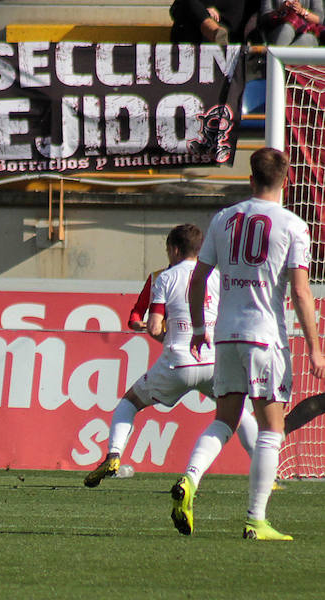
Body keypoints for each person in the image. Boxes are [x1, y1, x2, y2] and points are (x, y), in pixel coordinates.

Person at [171, 147, 325, 541]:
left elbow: (198, 278)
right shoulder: (292, 225)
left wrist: (198, 329)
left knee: (224, 419)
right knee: (271, 429)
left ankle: (189, 479)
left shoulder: (223, 219)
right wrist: (315, 347)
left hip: (224, 335)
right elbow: (301, 291)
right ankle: (256, 519)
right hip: (265, 336)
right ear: (286, 181)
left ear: (250, 179)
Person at [84, 224, 258, 488]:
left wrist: (167, 336)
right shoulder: (217, 277)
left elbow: (154, 326)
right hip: (214, 361)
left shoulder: (165, 277)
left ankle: (114, 456)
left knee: (128, 404)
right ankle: (265, 472)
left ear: (174, 249)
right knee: (238, 412)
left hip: (178, 361)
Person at [169, 0, 251, 43]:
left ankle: (215, 32)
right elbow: (175, 10)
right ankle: (213, 30)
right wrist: (203, 11)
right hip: (196, 36)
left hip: (230, 36)